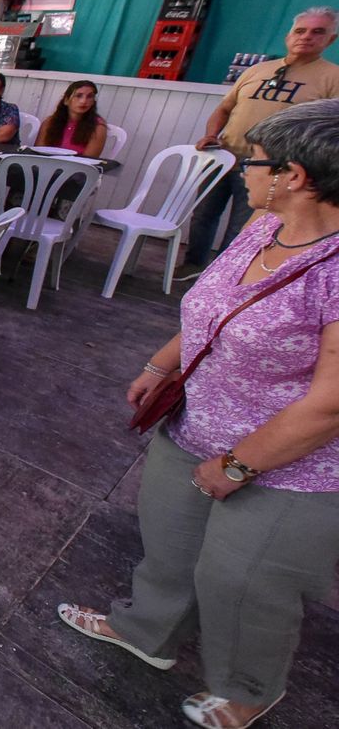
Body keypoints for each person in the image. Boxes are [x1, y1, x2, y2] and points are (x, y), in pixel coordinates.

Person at [59, 99, 339, 729]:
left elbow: (332, 402)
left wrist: (239, 465)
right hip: (196, 424)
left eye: (253, 160)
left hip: (293, 467)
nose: (240, 169)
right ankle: (144, 631)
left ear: (294, 176)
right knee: (170, 546)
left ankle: (248, 690)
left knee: (245, 584)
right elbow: (213, 309)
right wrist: (161, 366)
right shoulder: (262, 225)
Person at [183, 7, 339, 276]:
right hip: (226, 156)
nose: (307, 37)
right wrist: (212, 133)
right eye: (300, 31)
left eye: (318, 32)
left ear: (331, 40)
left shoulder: (332, 77)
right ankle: (192, 266)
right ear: (288, 36)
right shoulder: (258, 70)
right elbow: (224, 108)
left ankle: (224, 275)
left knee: (245, 226)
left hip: (274, 168)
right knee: (203, 215)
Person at [37, 80, 109, 157]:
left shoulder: (98, 127)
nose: (83, 101)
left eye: (89, 96)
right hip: (46, 165)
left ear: (93, 102)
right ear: (66, 100)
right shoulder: (49, 122)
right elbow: (38, 152)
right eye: (78, 96)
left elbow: (88, 160)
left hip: (76, 168)